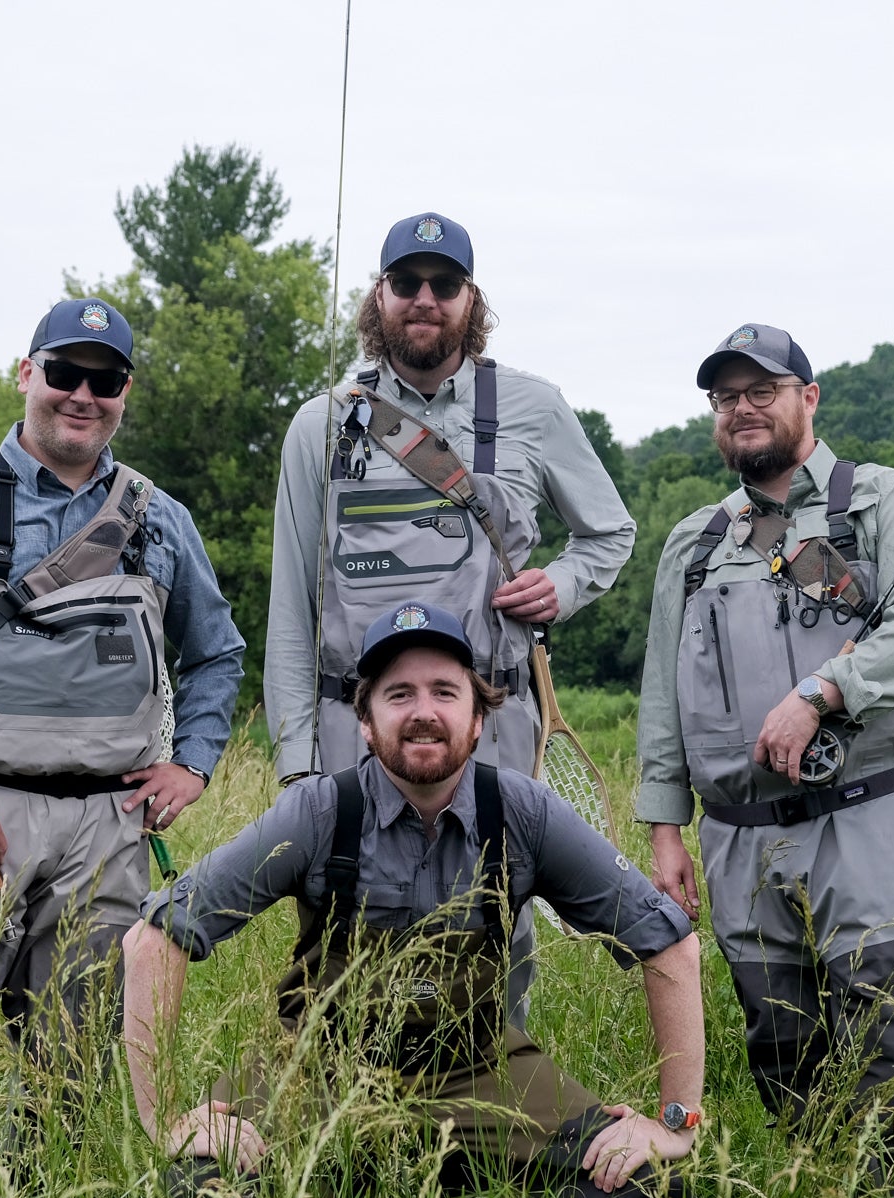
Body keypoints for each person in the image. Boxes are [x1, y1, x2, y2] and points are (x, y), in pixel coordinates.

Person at [124, 602, 703, 1198]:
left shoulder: (521, 811)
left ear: (479, 717)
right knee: (200, 1188)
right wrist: (164, 1124)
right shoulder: (317, 813)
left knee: (643, 1188)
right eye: (398, 694)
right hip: (315, 1067)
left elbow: (669, 942)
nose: (422, 711)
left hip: (480, 1068)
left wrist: (675, 1123)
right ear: (364, 722)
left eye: (444, 691)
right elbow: (155, 937)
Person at [635, 323, 894, 1198]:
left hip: (871, 817)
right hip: (741, 839)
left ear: (809, 397)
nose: (742, 410)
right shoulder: (695, 544)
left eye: (763, 389)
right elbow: (662, 695)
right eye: (725, 397)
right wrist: (667, 833)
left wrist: (822, 692)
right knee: (785, 1057)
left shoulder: (879, 501)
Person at [0, 297, 245, 1086]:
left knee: (71, 1070)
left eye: (106, 381)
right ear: (27, 373)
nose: (83, 394)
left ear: (125, 393)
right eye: (65, 372)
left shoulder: (163, 520)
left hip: (110, 831)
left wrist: (194, 762)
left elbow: (219, 654)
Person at [266, 210, 637, 1025]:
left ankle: (490, 1114)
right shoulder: (320, 423)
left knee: (496, 931)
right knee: (342, 937)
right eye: (407, 283)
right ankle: (342, 1131)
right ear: (379, 296)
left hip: (494, 726)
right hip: (349, 733)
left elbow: (610, 531)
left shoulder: (535, 408)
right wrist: (298, 764)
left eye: (444, 284)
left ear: (473, 299)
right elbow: (290, 606)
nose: (423, 300)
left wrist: (562, 585)